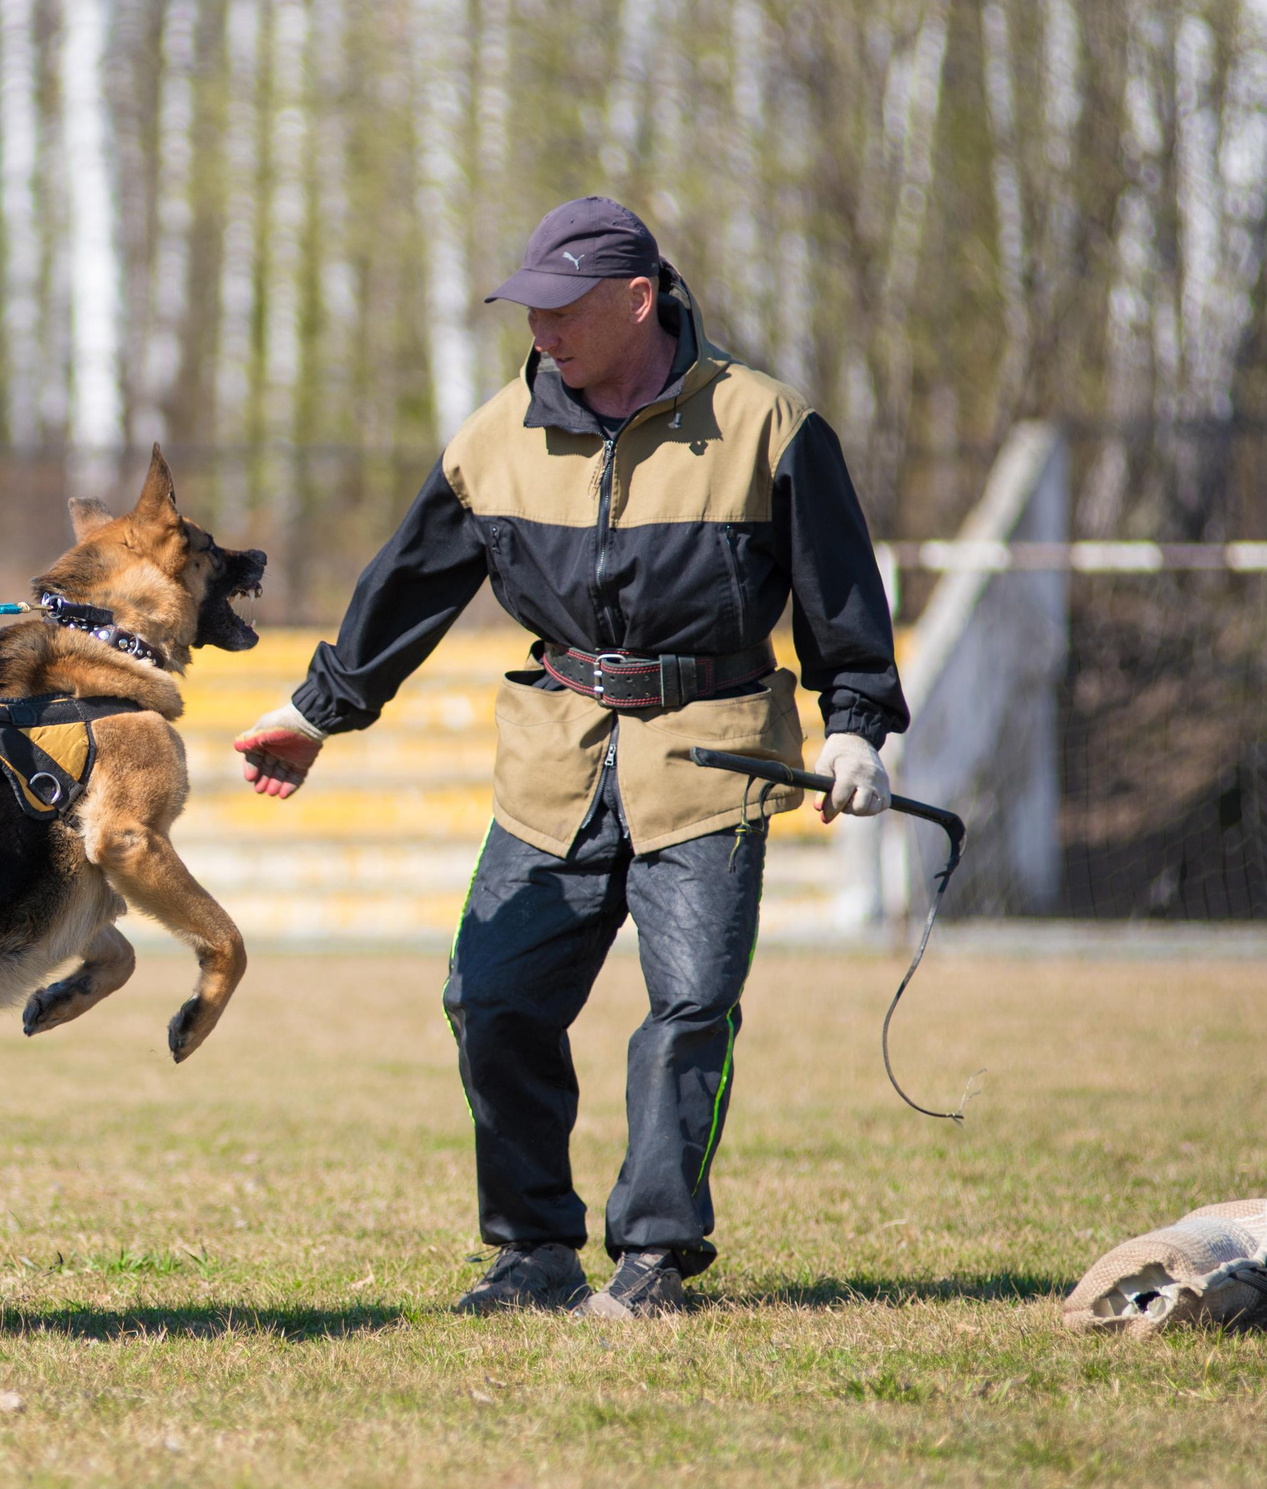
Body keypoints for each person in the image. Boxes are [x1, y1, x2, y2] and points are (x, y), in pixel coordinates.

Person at [233, 198, 908, 1319]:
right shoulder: (493, 436)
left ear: (638, 300)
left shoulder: (768, 424)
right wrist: (317, 711)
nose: (539, 330)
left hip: (712, 759)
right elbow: (408, 589)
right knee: (490, 999)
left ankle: (654, 1259)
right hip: (555, 759)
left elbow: (840, 590)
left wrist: (856, 722)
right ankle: (533, 1251)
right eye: (528, 309)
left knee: (690, 1008)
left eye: (562, 309)